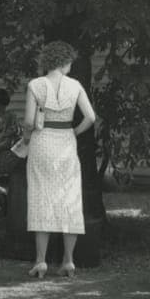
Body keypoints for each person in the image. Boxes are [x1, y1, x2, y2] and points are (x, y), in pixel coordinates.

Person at [23, 41, 97, 279]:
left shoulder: (36, 85)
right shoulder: (75, 85)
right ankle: (68, 260)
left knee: (40, 196)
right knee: (68, 197)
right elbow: (90, 117)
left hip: (41, 142)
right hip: (66, 141)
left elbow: (28, 121)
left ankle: (41, 261)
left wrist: (26, 138)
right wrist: (73, 132)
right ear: (64, 62)